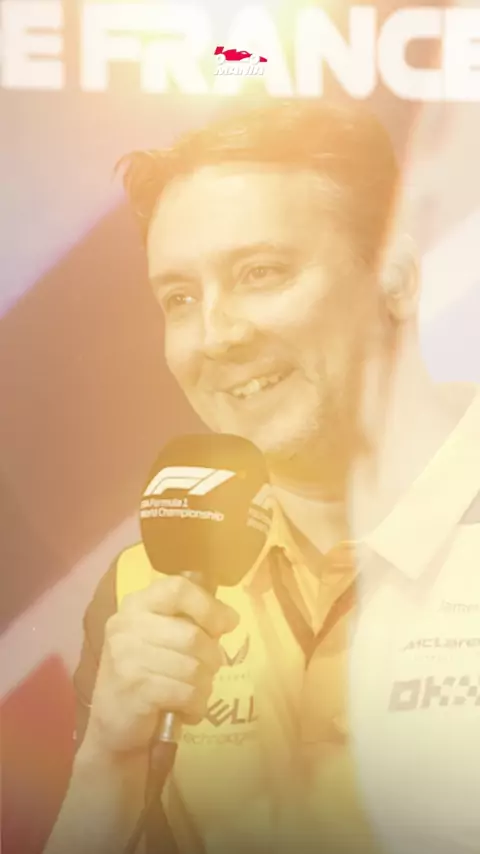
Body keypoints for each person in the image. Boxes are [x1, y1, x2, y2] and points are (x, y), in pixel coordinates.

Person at [44, 100, 480, 854]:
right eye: (180, 298)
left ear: (398, 278)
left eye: (260, 273)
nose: (216, 336)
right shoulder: (146, 588)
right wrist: (107, 766)